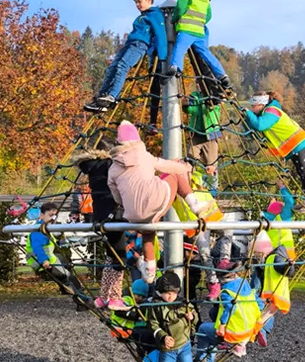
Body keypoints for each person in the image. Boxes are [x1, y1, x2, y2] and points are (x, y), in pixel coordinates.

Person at [107, 120, 218, 284]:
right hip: (156, 202)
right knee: (175, 171)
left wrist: (126, 205)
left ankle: (150, 269)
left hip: (132, 214)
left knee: (148, 233)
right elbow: (166, 166)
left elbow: (116, 196)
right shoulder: (144, 156)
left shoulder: (113, 168)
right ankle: (194, 204)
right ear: (137, 141)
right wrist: (186, 168)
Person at [84, 0, 167, 112]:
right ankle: (102, 97)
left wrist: (162, 57)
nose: (137, 5)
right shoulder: (142, 17)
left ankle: (113, 96)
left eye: (140, 1)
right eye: (136, 2)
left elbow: (161, 35)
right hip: (129, 44)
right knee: (112, 67)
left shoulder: (155, 15)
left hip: (139, 45)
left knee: (123, 66)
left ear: (149, 0)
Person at [74, 139, 130, 310]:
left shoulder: (91, 167)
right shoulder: (112, 165)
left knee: (110, 255)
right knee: (119, 256)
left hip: (99, 215)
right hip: (115, 212)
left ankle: (104, 296)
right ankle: (114, 297)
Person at [244, 92, 305, 209]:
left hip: (300, 143)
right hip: (291, 148)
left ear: (262, 105)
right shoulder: (263, 114)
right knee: (300, 174)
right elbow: (251, 130)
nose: (252, 109)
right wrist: (246, 117)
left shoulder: (272, 111)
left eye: (254, 106)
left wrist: (248, 113)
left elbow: (260, 125)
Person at [168, 0, 231, 88]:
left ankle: (176, 68)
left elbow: (180, 7)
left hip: (186, 28)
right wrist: (200, 21)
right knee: (206, 53)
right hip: (200, 30)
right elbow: (208, 14)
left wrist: (174, 19)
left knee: (180, 47)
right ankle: (222, 74)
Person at [195, 261, 264, 362]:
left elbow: (230, 308)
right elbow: (259, 303)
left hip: (234, 333)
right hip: (249, 329)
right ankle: (237, 346)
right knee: (213, 315)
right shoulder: (244, 283)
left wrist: (222, 325)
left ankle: (201, 361)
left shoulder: (226, 290)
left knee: (203, 329)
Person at [25, 202, 75, 295]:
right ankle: (80, 297)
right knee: (67, 276)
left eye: (55, 216)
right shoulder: (39, 230)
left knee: (65, 266)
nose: (53, 218)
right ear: (42, 215)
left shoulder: (47, 228)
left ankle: (69, 291)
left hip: (50, 259)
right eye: (50, 215)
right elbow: (37, 247)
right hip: (42, 261)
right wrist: (44, 260)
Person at [183, 89, 222, 191]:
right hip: (196, 134)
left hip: (210, 135)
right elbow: (191, 110)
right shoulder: (194, 95)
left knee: (211, 166)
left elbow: (211, 110)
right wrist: (186, 105)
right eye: (197, 83)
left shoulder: (214, 94)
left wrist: (208, 103)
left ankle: (212, 192)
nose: (198, 86)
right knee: (189, 161)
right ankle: (189, 187)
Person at [263, 179, 296, 259]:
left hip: (272, 255)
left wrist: (272, 205)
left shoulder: (265, 219)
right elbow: (290, 202)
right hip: (287, 255)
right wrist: (281, 187)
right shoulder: (282, 218)